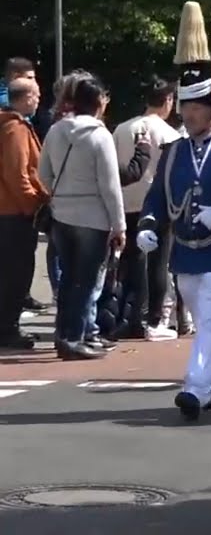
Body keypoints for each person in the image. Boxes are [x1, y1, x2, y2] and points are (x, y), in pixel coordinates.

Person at [136, 3, 211, 420]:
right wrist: (148, 224)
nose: (190, 112)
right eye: (186, 105)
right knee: (204, 320)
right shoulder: (174, 151)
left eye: (199, 106)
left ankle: (195, 389)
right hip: (184, 250)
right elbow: (158, 196)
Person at [37, 74, 126, 360]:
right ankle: (75, 337)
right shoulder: (100, 135)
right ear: (99, 102)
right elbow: (110, 185)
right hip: (93, 215)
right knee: (86, 280)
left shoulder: (55, 130)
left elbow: (43, 174)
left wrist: (60, 192)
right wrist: (119, 224)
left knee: (67, 278)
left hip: (62, 212)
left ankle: (63, 334)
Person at [112, 76, 179, 340]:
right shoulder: (170, 133)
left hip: (126, 200)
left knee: (131, 261)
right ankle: (152, 317)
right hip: (157, 205)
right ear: (168, 101)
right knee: (158, 263)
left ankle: (129, 313)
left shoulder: (122, 129)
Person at [0, 77, 50, 349]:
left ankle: (7, 325)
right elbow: (18, 173)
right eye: (36, 94)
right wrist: (34, 204)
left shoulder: (12, 126)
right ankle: (8, 328)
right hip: (14, 214)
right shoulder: (15, 129)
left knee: (11, 272)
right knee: (16, 273)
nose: (39, 99)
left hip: (8, 211)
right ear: (25, 97)